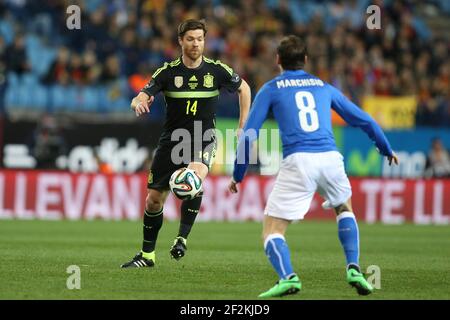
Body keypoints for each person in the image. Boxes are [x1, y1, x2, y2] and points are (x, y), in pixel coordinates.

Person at [229, 35, 398, 297]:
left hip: (299, 160)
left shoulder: (271, 88)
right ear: (305, 60)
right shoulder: (324, 86)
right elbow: (364, 120)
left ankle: (288, 277)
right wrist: (385, 148)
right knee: (344, 207)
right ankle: (353, 267)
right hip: (331, 157)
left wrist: (238, 175)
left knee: (272, 230)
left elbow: (250, 133)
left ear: (278, 60)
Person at [121, 19, 251, 268]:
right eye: (190, 39)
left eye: (200, 39)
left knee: (193, 176)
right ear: (181, 41)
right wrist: (138, 101)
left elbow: (244, 88)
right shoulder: (167, 72)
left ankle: (182, 238)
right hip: (172, 141)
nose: (195, 44)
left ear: (205, 41)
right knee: (153, 200)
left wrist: (242, 124)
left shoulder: (216, 71)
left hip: (204, 137)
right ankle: (147, 256)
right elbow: (142, 94)